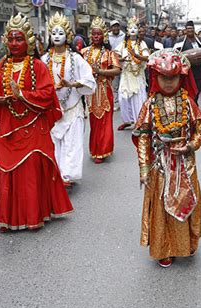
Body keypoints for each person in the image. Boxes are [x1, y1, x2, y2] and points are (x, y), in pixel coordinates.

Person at [0, 13, 73, 231]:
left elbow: (47, 94)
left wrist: (22, 95)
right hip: (7, 129)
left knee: (32, 170)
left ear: (28, 41)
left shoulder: (37, 67)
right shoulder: (1, 68)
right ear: (6, 41)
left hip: (33, 127)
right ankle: (9, 218)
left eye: (19, 39)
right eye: (11, 39)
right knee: (6, 172)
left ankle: (34, 216)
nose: (15, 44)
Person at [132, 49, 201, 268]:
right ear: (156, 78)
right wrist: (144, 168)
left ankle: (187, 244)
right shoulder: (150, 104)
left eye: (173, 77)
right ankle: (164, 248)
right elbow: (144, 135)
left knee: (187, 200)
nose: (168, 82)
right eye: (163, 78)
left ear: (181, 77)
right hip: (160, 165)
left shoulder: (187, 103)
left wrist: (192, 145)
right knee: (161, 207)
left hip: (185, 163)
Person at [41, 13, 96, 187]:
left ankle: (67, 175)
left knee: (72, 144)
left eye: (60, 33)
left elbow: (89, 81)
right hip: (52, 109)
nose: (57, 36)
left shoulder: (76, 59)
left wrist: (71, 84)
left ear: (68, 36)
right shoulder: (43, 60)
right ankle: (56, 173)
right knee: (54, 143)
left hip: (72, 107)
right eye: (54, 33)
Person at [81, 17, 121, 164]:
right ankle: (95, 150)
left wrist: (101, 72)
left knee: (105, 122)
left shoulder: (110, 53)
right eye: (94, 34)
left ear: (103, 36)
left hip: (105, 90)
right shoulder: (83, 52)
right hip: (90, 93)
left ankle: (103, 151)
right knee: (93, 122)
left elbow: (117, 70)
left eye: (99, 34)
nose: (96, 37)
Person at [114, 17, 150, 131]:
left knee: (138, 98)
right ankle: (127, 121)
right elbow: (115, 56)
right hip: (126, 74)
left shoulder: (141, 43)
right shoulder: (123, 44)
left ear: (138, 30)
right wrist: (121, 59)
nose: (133, 30)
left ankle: (139, 121)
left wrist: (136, 55)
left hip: (137, 74)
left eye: (135, 28)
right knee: (122, 98)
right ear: (127, 31)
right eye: (131, 28)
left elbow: (147, 57)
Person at [174, 21, 201, 102]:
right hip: (187, 70)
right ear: (185, 30)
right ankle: (191, 103)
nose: (189, 30)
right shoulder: (180, 40)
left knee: (198, 88)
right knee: (188, 88)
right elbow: (175, 53)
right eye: (188, 29)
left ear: (194, 29)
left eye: (191, 28)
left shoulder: (199, 40)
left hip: (199, 70)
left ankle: (195, 101)